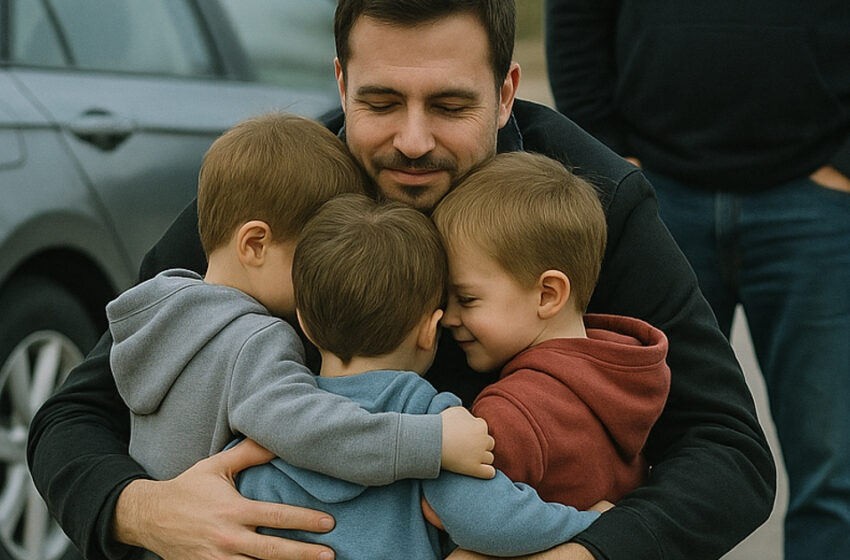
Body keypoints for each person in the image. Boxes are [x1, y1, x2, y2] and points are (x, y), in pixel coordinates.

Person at [27, 1, 776, 559]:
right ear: (341, 82)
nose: (412, 141)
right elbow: (75, 415)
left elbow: (728, 451)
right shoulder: (282, 189)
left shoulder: (585, 202)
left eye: (450, 105)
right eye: (380, 102)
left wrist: (583, 554)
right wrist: (144, 511)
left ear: (506, 91)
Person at [543, 1, 850, 558]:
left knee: (833, 468)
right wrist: (607, 156)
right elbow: (577, 16)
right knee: (631, 462)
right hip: (654, 196)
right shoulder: (629, 205)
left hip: (816, 203)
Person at [105, 112, 494, 490]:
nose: (329, 273)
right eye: (313, 255)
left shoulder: (164, 311)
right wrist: (432, 443)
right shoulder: (254, 340)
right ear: (256, 244)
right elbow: (314, 433)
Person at [235, 193, 608, 558]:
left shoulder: (267, 422)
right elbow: (489, 522)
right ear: (431, 329)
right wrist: (592, 521)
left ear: (304, 323)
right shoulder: (435, 420)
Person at [432, 151, 671, 510]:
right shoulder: (627, 375)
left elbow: (449, 513)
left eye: (466, 299)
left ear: (548, 294)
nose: (447, 317)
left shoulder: (511, 415)